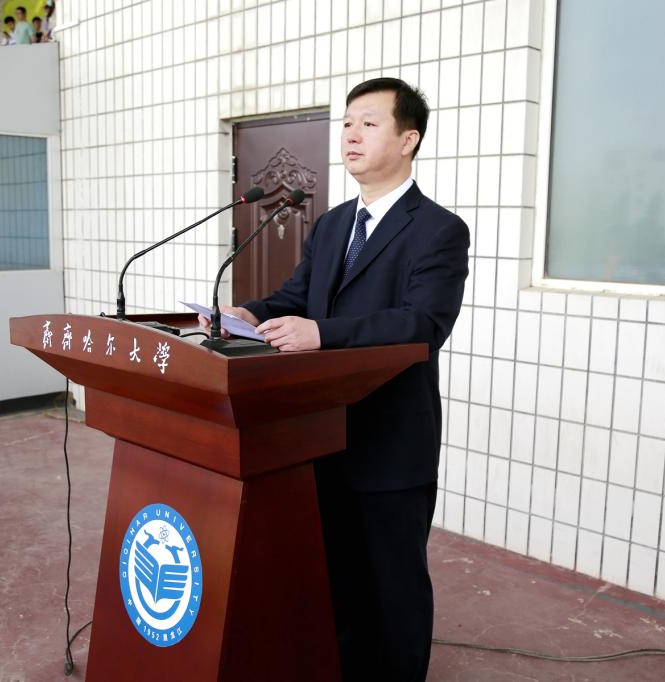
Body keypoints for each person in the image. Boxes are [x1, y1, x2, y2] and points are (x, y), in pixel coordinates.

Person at [201, 78, 470, 680]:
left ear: (408, 139)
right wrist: (249, 313)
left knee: (394, 584)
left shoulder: (438, 229)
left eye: (369, 123)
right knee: (338, 577)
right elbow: (296, 297)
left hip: (390, 438)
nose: (351, 134)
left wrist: (323, 334)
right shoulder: (330, 224)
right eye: (347, 123)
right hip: (320, 432)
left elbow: (423, 324)